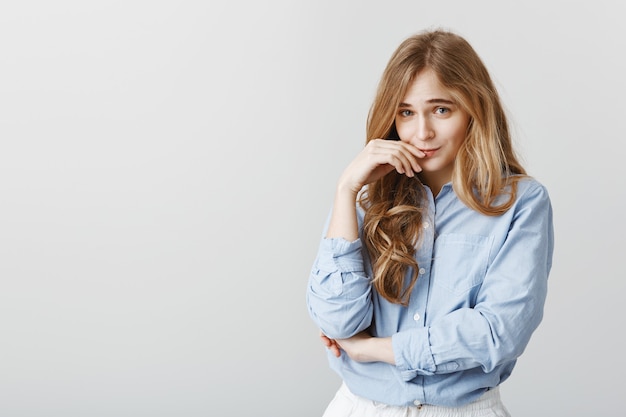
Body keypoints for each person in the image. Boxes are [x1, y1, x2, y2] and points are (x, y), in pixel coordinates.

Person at [306, 29, 554, 417]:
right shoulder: (366, 197)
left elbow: (496, 332)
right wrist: (345, 190)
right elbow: (337, 320)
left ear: (474, 108)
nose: (422, 132)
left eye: (441, 109)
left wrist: (373, 349)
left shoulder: (521, 203)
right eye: (406, 112)